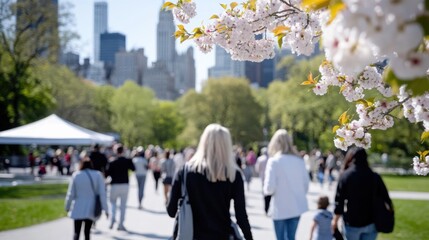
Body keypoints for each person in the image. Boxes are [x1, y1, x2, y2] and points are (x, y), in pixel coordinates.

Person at [166, 124, 253, 240]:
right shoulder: (233, 175)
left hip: (192, 235)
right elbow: (241, 216)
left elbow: (171, 211)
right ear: (227, 145)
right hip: (222, 235)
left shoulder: (185, 172)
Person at [331, 147, 393, 240]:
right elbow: (386, 198)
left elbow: (339, 201)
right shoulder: (374, 176)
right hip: (371, 221)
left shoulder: (345, 176)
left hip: (352, 222)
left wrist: (335, 221)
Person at [264, 129, 310, 240]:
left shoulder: (274, 161)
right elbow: (306, 185)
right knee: (291, 237)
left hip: (280, 208)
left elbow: (269, 189)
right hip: (296, 207)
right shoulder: (299, 160)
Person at [65, 158, 108, 240]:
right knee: (87, 232)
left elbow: (70, 194)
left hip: (78, 207)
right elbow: (102, 193)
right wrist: (106, 209)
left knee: (76, 232)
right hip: (91, 207)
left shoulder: (76, 175)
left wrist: (67, 206)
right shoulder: (97, 175)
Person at [105, 144, 135, 231]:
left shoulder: (112, 161)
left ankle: (112, 219)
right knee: (123, 206)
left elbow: (107, 174)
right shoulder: (127, 160)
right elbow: (133, 169)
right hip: (125, 185)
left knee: (112, 203)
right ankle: (121, 224)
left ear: (115, 151)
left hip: (114, 184)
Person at [255, 147, 270, 214]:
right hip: (268, 178)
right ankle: (267, 207)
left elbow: (257, 169)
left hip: (263, 177)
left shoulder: (260, 159)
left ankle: (266, 207)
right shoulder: (271, 159)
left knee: (265, 192)